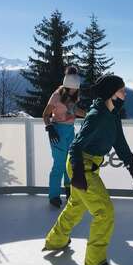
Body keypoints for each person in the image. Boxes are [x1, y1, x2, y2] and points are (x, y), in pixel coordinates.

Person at [42, 74, 133, 265]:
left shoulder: (113, 113)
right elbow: (76, 145)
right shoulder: (97, 114)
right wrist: (78, 172)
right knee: (104, 212)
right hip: (82, 166)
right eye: (122, 90)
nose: (125, 93)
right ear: (110, 93)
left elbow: (120, 142)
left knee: (76, 206)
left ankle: (56, 240)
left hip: (90, 166)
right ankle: (95, 263)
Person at [42, 66, 85, 208]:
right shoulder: (56, 95)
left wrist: (90, 114)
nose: (74, 91)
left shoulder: (75, 95)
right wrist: (49, 127)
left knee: (69, 162)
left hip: (70, 131)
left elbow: (75, 110)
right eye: (72, 89)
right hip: (57, 131)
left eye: (75, 89)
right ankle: (53, 196)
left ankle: (69, 189)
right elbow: (45, 114)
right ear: (67, 85)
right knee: (59, 164)